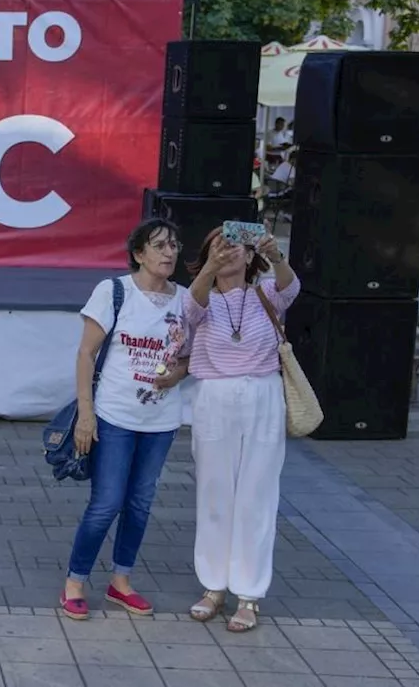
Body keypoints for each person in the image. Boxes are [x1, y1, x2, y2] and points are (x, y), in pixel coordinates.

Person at [60, 218, 192, 620]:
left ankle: (121, 581)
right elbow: (85, 354)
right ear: (139, 254)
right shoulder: (114, 291)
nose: (169, 252)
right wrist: (86, 415)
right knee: (106, 503)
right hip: (114, 416)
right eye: (159, 245)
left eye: (174, 245)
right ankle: (76, 580)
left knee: (140, 503)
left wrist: (177, 374)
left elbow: (189, 357)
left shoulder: (185, 299)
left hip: (161, 420)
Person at [183, 226, 298, 632]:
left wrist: (277, 254)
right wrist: (209, 268)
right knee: (214, 492)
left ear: (251, 256)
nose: (229, 252)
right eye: (220, 245)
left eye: (237, 247)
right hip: (214, 394)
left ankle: (248, 594)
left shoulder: (267, 290)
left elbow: (290, 286)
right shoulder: (202, 296)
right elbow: (189, 309)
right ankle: (213, 587)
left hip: (263, 393)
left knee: (257, 494)